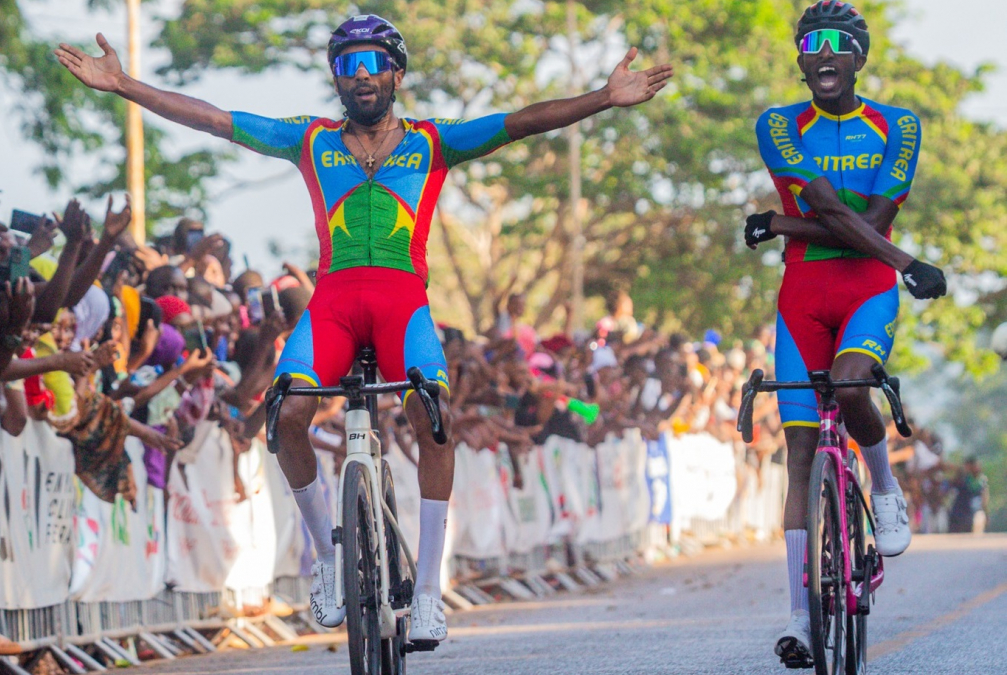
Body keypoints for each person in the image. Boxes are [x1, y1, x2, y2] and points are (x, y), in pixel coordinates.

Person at [57, 13, 672, 644]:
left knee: (433, 414)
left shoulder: (435, 140)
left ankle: (429, 591)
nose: (361, 75)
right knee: (288, 412)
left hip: (403, 303)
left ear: (397, 72)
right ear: (335, 78)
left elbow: (520, 122)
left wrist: (603, 98)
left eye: (373, 62)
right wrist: (126, 85)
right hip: (335, 303)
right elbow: (216, 119)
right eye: (347, 65)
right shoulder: (310, 139)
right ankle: (328, 559)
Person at [745, 2, 947, 667]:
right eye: (811, 43)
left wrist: (779, 223)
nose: (824, 52)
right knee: (799, 454)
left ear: (860, 57)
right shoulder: (778, 124)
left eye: (839, 43)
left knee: (857, 385)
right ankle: (799, 621)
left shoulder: (898, 124)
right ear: (801, 59)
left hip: (866, 292)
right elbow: (834, 209)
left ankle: (884, 485)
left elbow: (880, 211)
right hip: (802, 298)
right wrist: (906, 261)